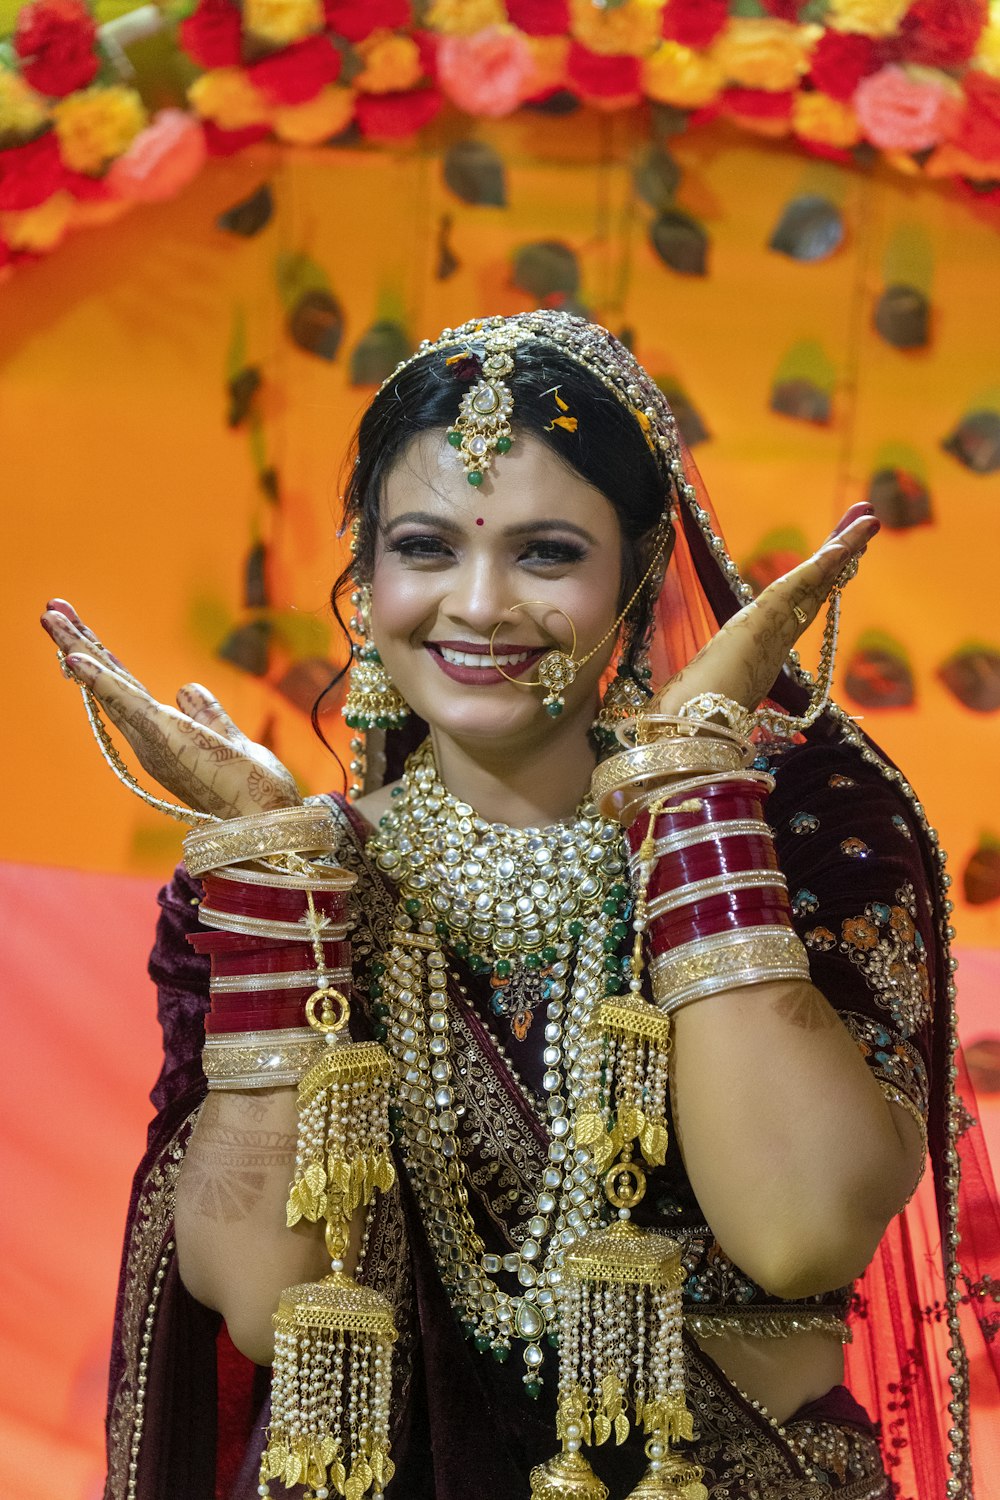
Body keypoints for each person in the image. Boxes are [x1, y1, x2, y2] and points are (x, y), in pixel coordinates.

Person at [41, 311, 997, 1500]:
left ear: (639, 568)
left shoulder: (801, 830)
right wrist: (282, 878)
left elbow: (800, 1227)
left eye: (545, 553)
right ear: (366, 570)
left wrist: (689, 795)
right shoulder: (290, 882)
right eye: (426, 549)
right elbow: (264, 1300)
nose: (478, 605)